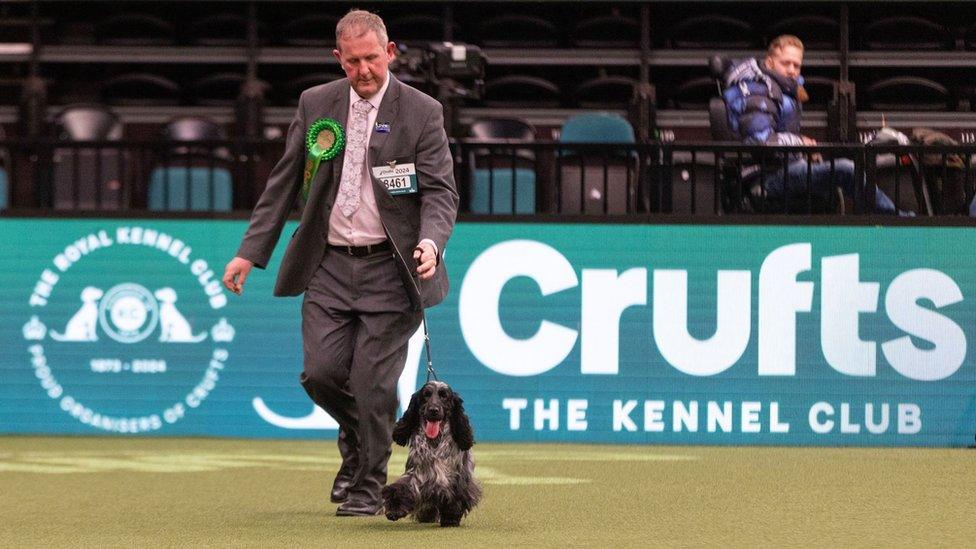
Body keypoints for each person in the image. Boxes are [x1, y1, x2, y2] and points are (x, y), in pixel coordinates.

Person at [222, 9, 459, 517]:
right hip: (330, 265)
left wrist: (432, 243)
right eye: (352, 62)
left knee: (374, 384)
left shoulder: (422, 111)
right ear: (338, 58)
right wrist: (249, 251)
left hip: (392, 271)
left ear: (389, 51)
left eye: (372, 58)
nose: (364, 70)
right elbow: (284, 182)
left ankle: (368, 486)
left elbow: (441, 193)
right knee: (320, 372)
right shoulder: (316, 103)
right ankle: (359, 442)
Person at [723, 34, 902, 214]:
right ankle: (897, 221)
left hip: (782, 167)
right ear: (770, 63)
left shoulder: (780, 90)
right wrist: (800, 144)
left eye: (797, 65)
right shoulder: (758, 91)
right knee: (845, 170)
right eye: (786, 63)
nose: (792, 70)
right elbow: (760, 141)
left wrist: (800, 145)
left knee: (841, 166)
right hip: (763, 177)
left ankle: (879, 225)